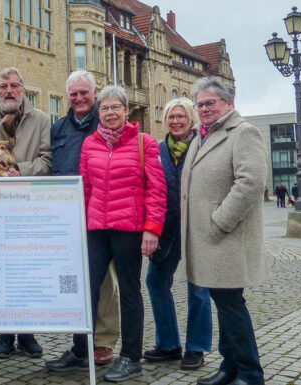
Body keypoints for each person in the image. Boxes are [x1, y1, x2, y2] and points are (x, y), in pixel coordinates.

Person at [45, 85, 166, 382]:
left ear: (126, 111)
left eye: (115, 108)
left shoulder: (144, 143)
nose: (110, 113)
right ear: (98, 113)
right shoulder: (91, 144)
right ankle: (80, 350)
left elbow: (156, 190)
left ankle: (131, 356)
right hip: (96, 228)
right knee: (85, 290)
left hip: (129, 229)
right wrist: (76, 226)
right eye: (105, 109)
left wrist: (152, 229)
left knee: (128, 291)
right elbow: (85, 189)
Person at [182, 77, 267, 385]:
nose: (204, 109)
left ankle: (249, 373)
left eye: (210, 103)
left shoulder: (243, 133)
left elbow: (251, 184)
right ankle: (230, 367)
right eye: (200, 104)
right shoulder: (201, 136)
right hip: (209, 241)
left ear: (228, 103)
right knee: (223, 305)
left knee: (231, 307)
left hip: (227, 239)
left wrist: (219, 221)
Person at [0, 67, 52, 357]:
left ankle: (26, 333)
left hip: (30, 206)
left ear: (23, 89)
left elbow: (47, 158)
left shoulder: (40, 120)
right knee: (2, 271)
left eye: (14, 85)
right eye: (3, 85)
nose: (9, 90)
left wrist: (20, 172)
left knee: (26, 271)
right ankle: (4, 334)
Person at [50, 69, 120, 365]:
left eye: (84, 93)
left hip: (99, 212)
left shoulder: (105, 124)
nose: (79, 98)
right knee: (72, 278)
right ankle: (79, 344)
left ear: (94, 94)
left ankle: (102, 343)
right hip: (65, 215)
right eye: (74, 94)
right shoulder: (59, 128)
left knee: (104, 280)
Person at [142, 98, 213, 370]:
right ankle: (168, 344)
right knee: (156, 282)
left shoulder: (202, 147)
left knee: (198, 289)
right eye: (170, 116)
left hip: (196, 228)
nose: (175, 121)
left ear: (191, 118)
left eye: (181, 116)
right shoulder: (158, 150)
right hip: (166, 227)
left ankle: (196, 347)